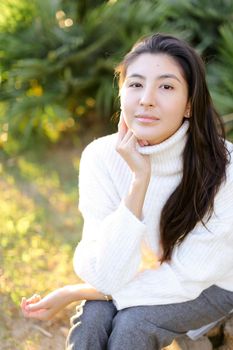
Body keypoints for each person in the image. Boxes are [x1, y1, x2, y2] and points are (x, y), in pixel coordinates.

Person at [21, 33, 233, 350]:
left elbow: (189, 277)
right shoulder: (101, 157)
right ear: (121, 93)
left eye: (166, 86)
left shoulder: (225, 167)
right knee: (92, 323)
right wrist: (138, 181)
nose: (146, 99)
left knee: (131, 327)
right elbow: (106, 272)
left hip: (213, 283)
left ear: (189, 104)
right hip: (147, 273)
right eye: (135, 84)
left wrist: (75, 291)